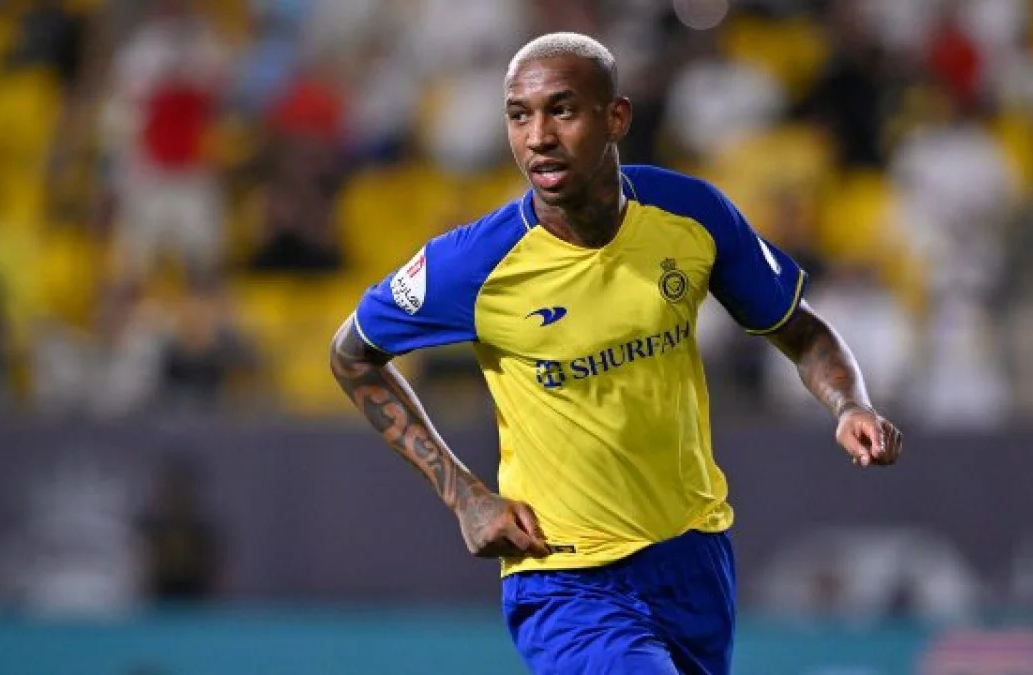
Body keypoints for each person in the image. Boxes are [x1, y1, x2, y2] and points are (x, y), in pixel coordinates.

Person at [329, 32, 904, 675]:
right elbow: (352, 355)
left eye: (562, 110)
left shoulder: (690, 214)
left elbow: (801, 331)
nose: (538, 137)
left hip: (692, 554)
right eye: (519, 115)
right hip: (564, 576)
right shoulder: (473, 263)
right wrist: (464, 494)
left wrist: (849, 405)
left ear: (617, 118)